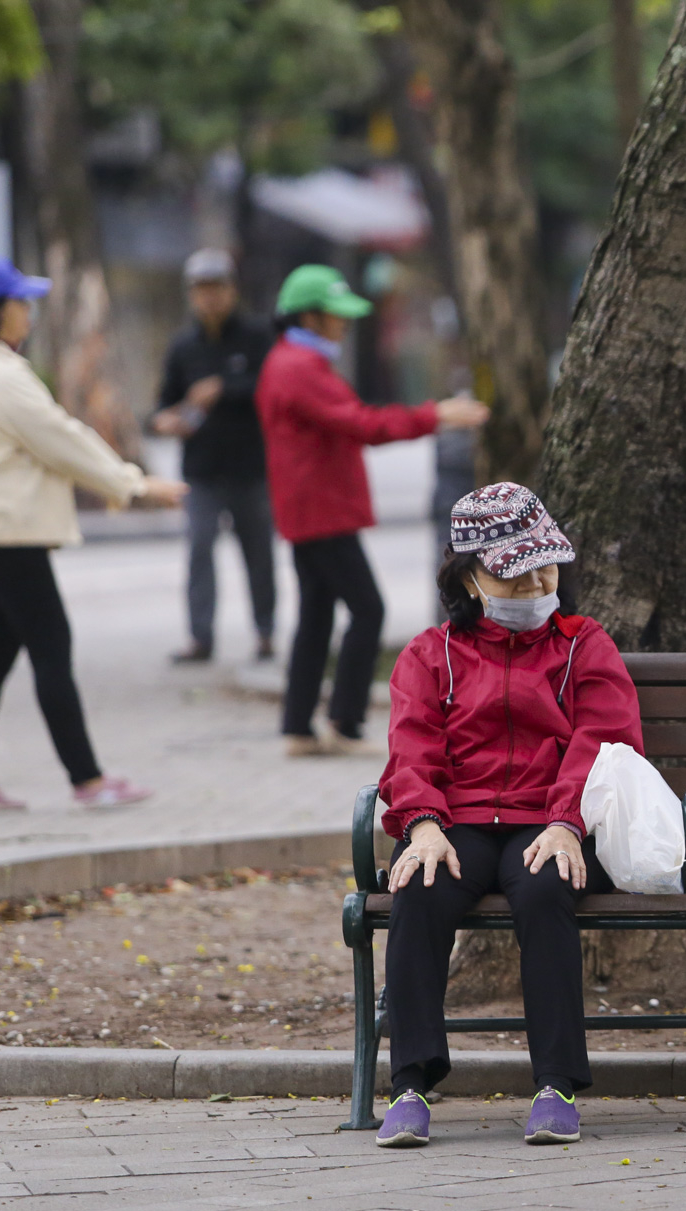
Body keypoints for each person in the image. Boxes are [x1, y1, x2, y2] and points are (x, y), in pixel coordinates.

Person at [374, 482, 643, 1147]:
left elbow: (606, 738)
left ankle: (556, 1084)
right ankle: (410, 1083)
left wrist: (565, 820)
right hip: (457, 820)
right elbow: (412, 745)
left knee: (548, 887)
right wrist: (424, 825)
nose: (534, 582)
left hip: (547, 819)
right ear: (468, 576)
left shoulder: (584, 645)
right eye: (512, 571)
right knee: (418, 886)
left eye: (545, 566)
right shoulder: (428, 654)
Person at [0, 255, 187, 809]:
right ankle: (88, 781)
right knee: (50, 646)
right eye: (20, 303)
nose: (28, 313)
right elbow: (60, 437)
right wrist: (132, 484)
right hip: (6, 532)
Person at [256, 264, 488, 757]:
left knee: (317, 616)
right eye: (336, 316)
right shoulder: (298, 367)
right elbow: (361, 424)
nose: (345, 324)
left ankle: (299, 726)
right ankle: (345, 724)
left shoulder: (296, 362)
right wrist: (434, 415)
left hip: (313, 511)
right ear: (310, 317)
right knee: (367, 609)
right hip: (321, 513)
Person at [151, 248, 278, 664]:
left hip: (249, 467)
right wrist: (166, 420)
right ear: (192, 294)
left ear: (232, 290)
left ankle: (265, 632)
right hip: (201, 469)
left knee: (258, 553)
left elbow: (271, 388)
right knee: (199, 550)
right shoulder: (184, 345)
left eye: (217, 288)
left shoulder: (257, 336)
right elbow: (164, 403)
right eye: (202, 290)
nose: (210, 298)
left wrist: (225, 387)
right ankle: (200, 637)